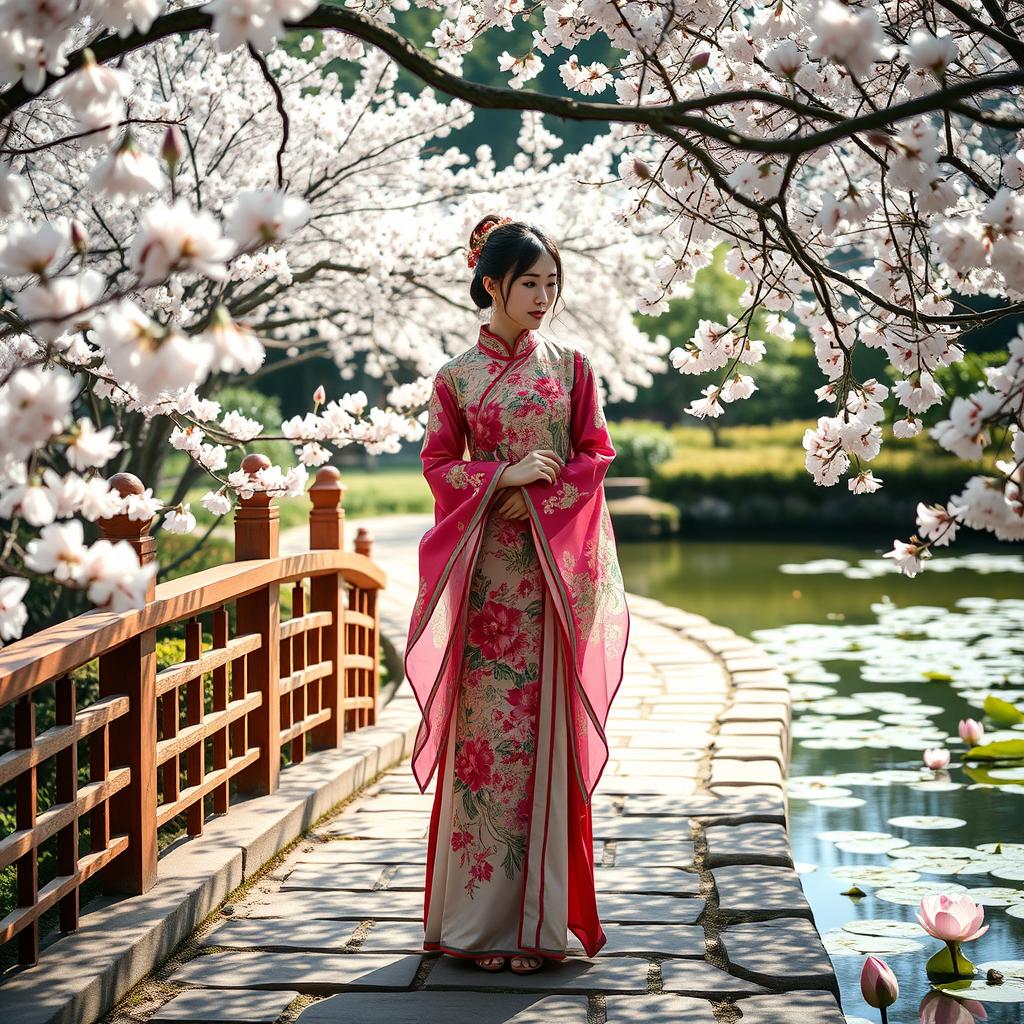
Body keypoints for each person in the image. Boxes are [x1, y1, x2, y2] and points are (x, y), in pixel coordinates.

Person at [404, 214, 630, 975]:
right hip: (485, 585)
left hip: (550, 583)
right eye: (529, 283)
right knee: (484, 750)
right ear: (491, 284)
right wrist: (500, 478)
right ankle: (475, 928)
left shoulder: (572, 369)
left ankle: (535, 928)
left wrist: (544, 488)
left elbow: (595, 454)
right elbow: (439, 470)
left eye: (551, 283)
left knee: (540, 746)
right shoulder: (455, 378)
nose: (543, 296)